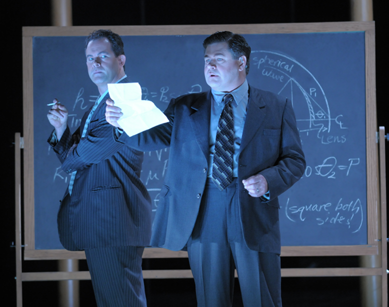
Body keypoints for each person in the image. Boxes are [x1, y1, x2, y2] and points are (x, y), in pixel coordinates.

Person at [106, 31, 306, 307]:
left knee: (262, 299)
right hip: (202, 208)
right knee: (211, 299)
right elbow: (151, 137)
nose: (210, 66)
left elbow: (295, 160)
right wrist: (122, 124)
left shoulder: (275, 106)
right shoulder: (186, 106)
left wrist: (268, 181)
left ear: (241, 62)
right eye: (207, 60)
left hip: (253, 208)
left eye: (218, 59)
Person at [47, 29, 152, 307]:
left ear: (121, 60)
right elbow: (77, 160)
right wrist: (61, 129)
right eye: (90, 58)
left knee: (121, 301)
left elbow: (74, 160)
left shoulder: (121, 104)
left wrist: (69, 147)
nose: (94, 63)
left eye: (102, 56)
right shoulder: (99, 106)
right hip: (104, 221)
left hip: (112, 221)